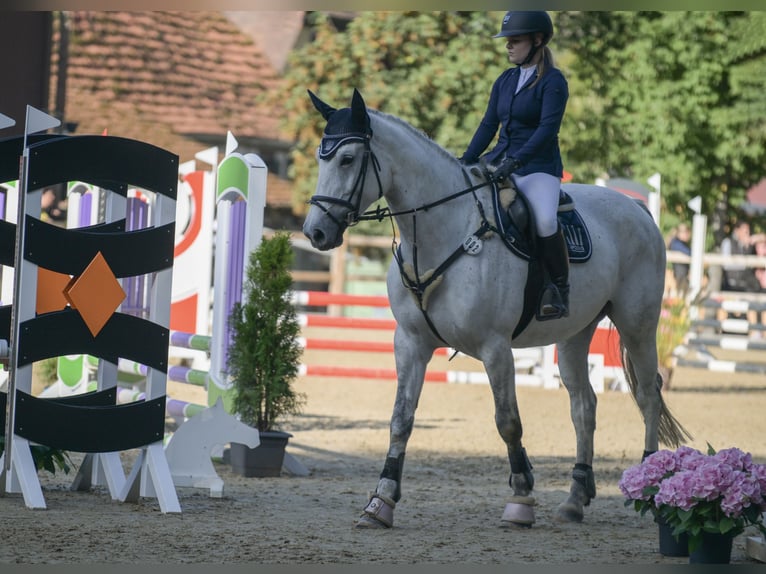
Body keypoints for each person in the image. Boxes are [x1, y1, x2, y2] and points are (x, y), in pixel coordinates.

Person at [460, 10, 570, 321]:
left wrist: (517, 160)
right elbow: (487, 125)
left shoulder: (553, 81)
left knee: (546, 220)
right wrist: (465, 159)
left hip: (537, 167)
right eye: (507, 41)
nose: (509, 47)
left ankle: (558, 288)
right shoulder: (505, 80)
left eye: (515, 41)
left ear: (538, 40)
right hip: (498, 161)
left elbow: (547, 130)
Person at [720, 220, 764, 292]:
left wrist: (753, 239)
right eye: (745, 231)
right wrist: (744, 264)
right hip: (731, 284)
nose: (747, 234)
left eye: (748, 231)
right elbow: (726, 265)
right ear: (737, 231)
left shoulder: (748, 245)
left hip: (747, 285)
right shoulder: (727, 242)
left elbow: (763, 238)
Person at [668, 223, 692, 297]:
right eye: (686, 232)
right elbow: (690, 253)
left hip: (680, 277)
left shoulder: (679, 243)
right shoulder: (676, 244)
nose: (688, 235)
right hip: (678, 278)